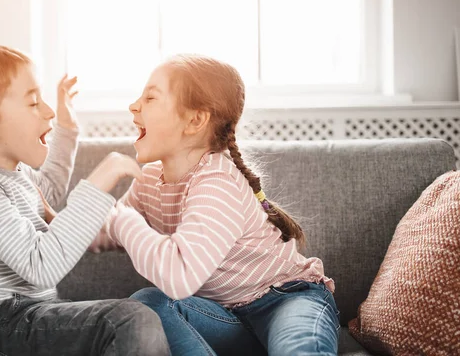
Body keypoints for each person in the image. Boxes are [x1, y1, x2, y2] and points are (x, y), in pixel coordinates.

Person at [0, 45, 170, 356]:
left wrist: (66, 129)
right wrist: (105, 174)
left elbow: (48, 192)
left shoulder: (8, 169)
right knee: (128, 321)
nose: (48, 111)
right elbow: (41, 266)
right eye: (33, 103)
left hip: (27, 315)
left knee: (145, 313)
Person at [99, 54, 340, 355]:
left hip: (286, 299)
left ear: (195, 120)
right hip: (223, 319)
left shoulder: (217, 180)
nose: (134, 105)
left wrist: (124, 220)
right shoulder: (149, 180)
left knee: (299, 350)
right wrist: (48, 220)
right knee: (148, 305)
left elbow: (179, 275)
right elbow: (103, 231)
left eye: (150, 97)